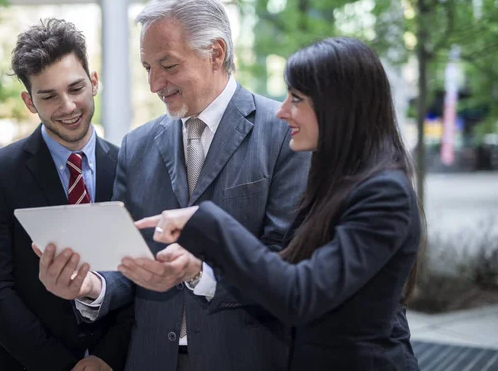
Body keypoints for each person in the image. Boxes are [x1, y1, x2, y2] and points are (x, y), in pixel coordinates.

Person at [37, 0, 310, 371]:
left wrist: (203, 274)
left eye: (167, 65)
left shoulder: (284, 134)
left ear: (215, 53)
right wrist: (91, 287)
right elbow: (125, 262)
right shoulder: (137, 145)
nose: (153, 84)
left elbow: (286, 262)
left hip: (246, 357)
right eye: (148, 68)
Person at [135, 37, 424, 371]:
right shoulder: (336, 183)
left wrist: (207, 220)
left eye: (297, 99)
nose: (283, 110)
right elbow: (278, 276)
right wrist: (198, 270)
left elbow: (299, 295)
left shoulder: (384, 194)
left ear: (339, 106)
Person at [0, 19, 130, 371]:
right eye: (49, 96)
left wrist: (107, 357)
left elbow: (140, 275)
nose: (67, 106)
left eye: (75, 88)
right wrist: (62, 366)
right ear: (29, 101)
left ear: (94, 82)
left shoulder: (132, 166)